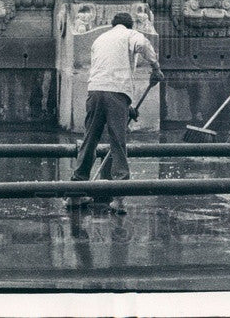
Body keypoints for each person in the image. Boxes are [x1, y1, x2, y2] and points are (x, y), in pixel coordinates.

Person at [69, 12, 164, 213]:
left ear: (113, 24)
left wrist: (126, 108)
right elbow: (144, 45)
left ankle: (75, 193)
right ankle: (119, 196)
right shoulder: (130, 35)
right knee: (118, 142)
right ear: (129, 25)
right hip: (117, 92)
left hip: (95, 91)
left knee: (90, 139)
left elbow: (106, 71)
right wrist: (155, 67)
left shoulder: (100, 39)